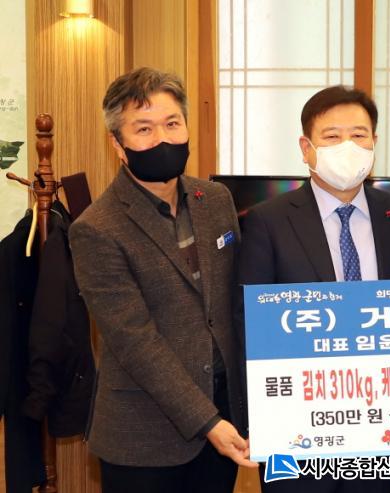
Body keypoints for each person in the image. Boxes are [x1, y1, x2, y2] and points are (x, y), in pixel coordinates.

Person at [69, 67, 257, 493]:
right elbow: (136, 342)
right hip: (144, 438)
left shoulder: (216, 200)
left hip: (224, 415)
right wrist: (208, 422)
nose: (163, 139)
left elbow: (236, 303)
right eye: (144, 129)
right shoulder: (97, 228)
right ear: (117, 145)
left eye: (172, 124)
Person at [238, 85, 390, 493]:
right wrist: (256, 418)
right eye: (332, 137)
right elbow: (247, 320)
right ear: (306, 148)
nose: (347, 147)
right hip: (294, 423)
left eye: (359, 135)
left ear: (374, 143)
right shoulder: (267, 220)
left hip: (379, 418)